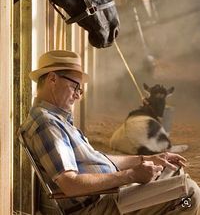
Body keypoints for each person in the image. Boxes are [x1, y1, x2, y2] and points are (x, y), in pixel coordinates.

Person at [18, 50, 200, 215]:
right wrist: (132, 175)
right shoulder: (47, 123)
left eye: (80, 89)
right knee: (189, 194)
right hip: (96, 206)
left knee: (174, 172)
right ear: (52, 79)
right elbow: (70, 184)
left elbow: (100, 159)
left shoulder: (58, 119)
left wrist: (147, 159)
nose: (78, 95)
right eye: (75, 87)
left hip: (106, 196)